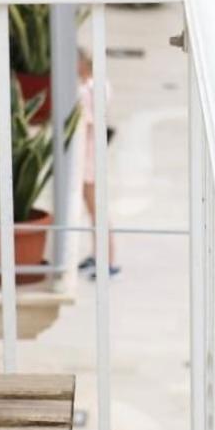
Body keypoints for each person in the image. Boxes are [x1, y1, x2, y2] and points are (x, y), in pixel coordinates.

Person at [77, 54, 120, 279]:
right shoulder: (98, 84)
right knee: (94, 209)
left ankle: (109, 261)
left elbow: (90, 117)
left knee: (97, 210)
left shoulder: (91, 88)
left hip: (90, 157)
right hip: (90, 154)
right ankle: (98, 256)